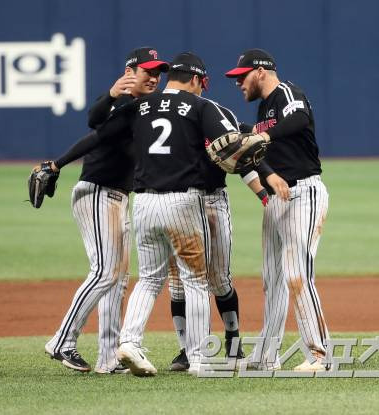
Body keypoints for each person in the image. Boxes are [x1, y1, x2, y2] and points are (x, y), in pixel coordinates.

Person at [50, 51, 275, 376]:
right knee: (196, 280)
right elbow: (232, 146)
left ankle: (129, 343)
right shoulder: (200, 107)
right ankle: (198, 358)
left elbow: (97, 132)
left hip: (142, 203)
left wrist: (56, 163)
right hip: (184, 201)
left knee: (150, 279)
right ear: (197, 80)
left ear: (171, 78)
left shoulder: (139, 106)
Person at [44, 47, 169, 374]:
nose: (154, 77)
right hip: (97, 192)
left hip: (117, 196)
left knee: (117, 279)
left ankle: (108, 358)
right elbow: (94, 128)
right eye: (147, 71)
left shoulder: (141, 107)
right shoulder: (124, 104)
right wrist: (57, 164)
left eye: (158, 72)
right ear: (130, 73)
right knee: (105, 272)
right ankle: (62, 341)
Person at [225, 49, 330, 371]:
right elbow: (260, 154)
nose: (238, 83)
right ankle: (267, 356)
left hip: (304, 192)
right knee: (273, 278)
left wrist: (262, 134)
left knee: (298, 274)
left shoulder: (287, 93)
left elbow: (299, 120)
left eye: (242, 76)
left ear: (260, 71)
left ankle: (320, 355)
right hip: (277, 199)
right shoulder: (262, 109)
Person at [165, 55, 272, 371]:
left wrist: (264, 195)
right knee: (178, 282)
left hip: (212, 200)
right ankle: (186, 350)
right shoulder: (165, 113)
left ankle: (233, 341)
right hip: (178, 202)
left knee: (219, 278)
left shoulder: (216, 112)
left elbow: (240, 161)